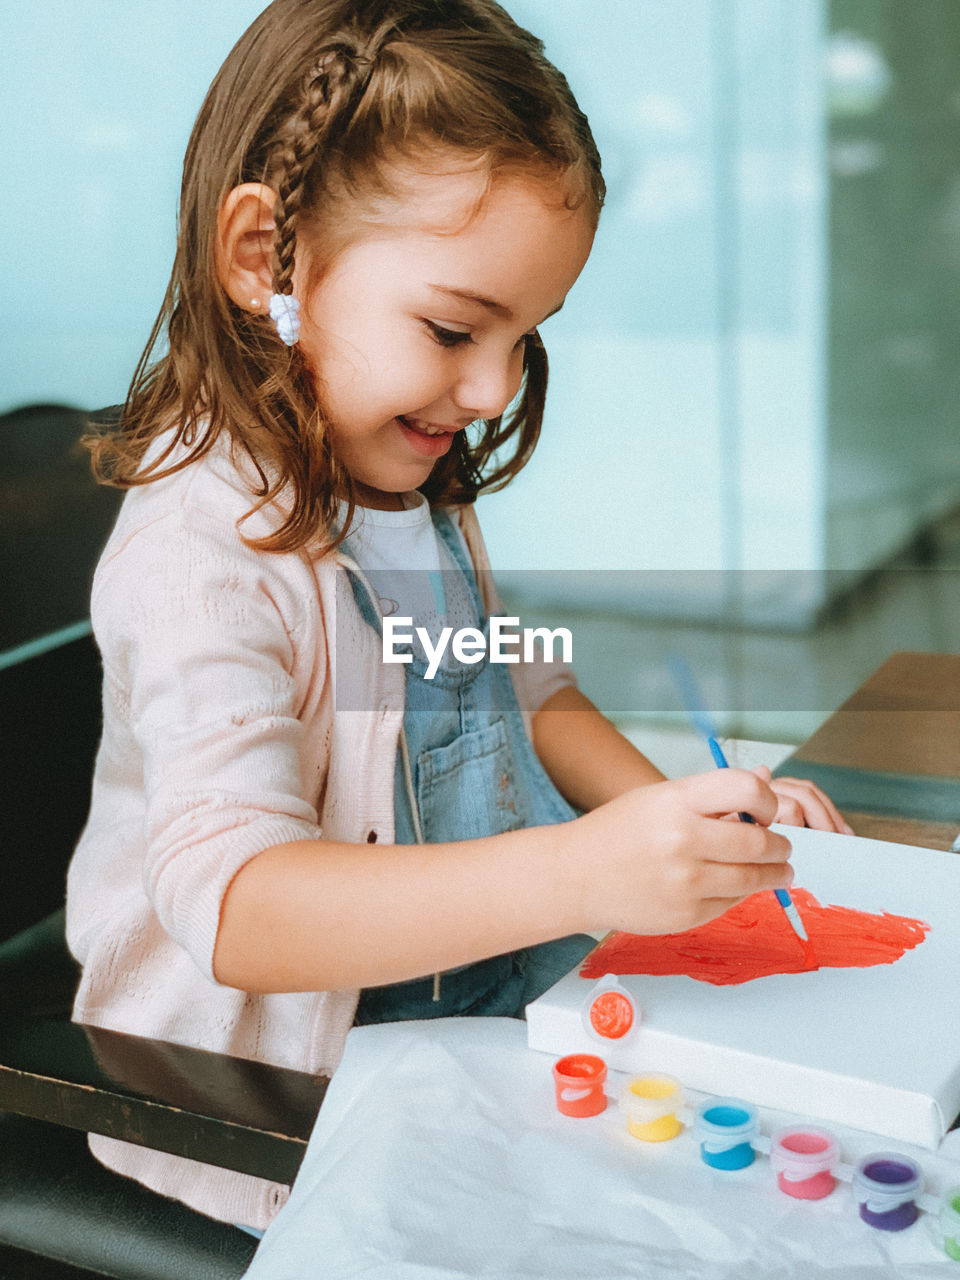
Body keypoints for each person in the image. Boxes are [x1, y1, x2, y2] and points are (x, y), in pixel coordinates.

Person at [67, 0, 849, 1231]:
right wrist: (590, 867)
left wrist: (687, 827)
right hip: (274, 1085)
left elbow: (524, 686)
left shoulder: (400, 485)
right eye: (452, 328)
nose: (489, 390)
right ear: (265, 257)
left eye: (523, 338)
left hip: (470, 991)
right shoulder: (195, 554)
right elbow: (240, 904)